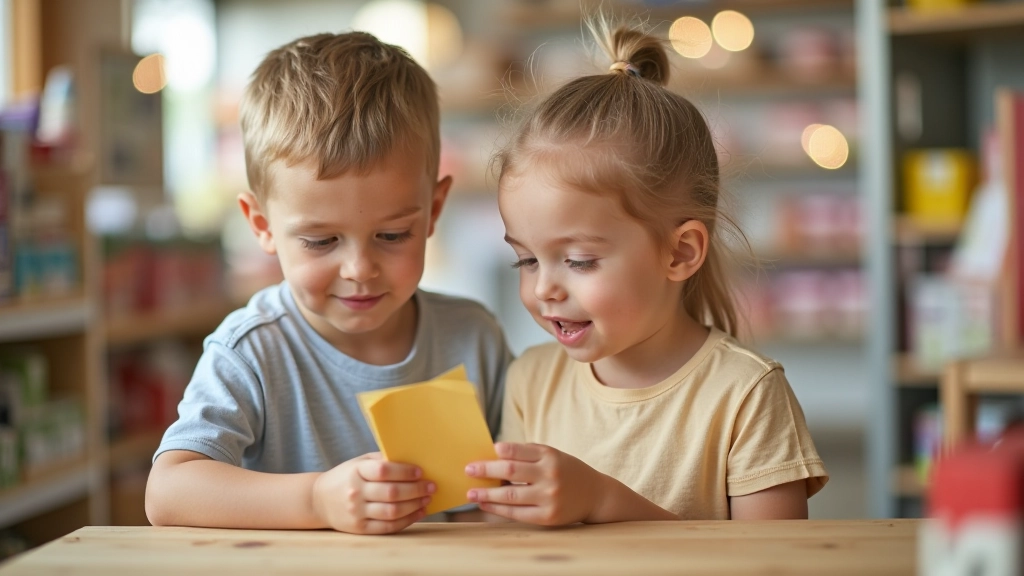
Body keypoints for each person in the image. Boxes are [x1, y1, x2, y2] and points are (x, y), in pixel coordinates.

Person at [145, 32, 512, 535]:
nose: (359, 269)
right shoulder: (252, 350)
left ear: (435, 209)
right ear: (262, 225)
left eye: (391, 234)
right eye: (320, 242)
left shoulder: (474, 336)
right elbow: (168, 493)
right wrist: (317, 500)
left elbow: (503, 491)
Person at [464, 19, 828, 524]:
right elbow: (505, 534)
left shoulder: (745, 394)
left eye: (579, 261)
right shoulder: (531, 381)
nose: (544, 287)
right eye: (526, 259)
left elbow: (776, 561)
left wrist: (605, 503)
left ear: (679, 253)